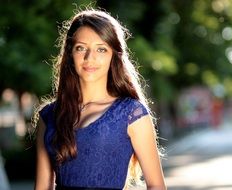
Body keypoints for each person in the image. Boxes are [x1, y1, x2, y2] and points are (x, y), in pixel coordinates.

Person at [33, 7, 166, 190]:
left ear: (114, 56)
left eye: (101, 49)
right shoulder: (48, 117)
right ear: (70, 55)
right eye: (81, 48)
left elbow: (156, 185)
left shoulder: (131, 113)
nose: (90, 57)